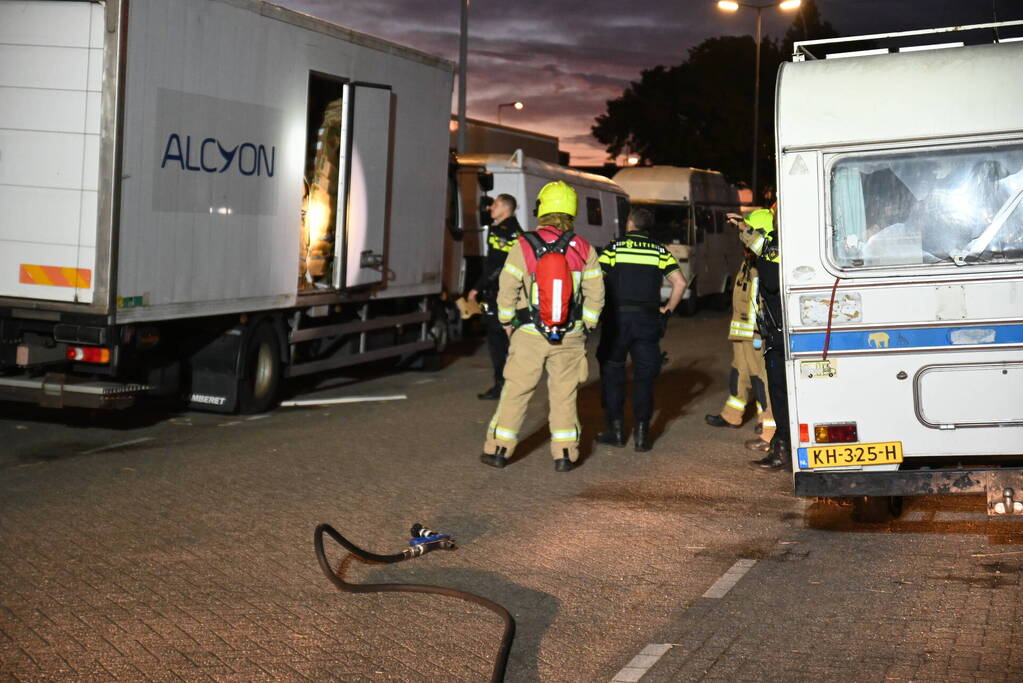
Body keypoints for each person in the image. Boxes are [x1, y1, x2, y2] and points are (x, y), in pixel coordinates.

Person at [479, 181, 604, 472]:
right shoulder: (584, 248)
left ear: (542, 209)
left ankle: (498, 450)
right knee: (564, 395)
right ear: (571, 211)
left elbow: (506, 286)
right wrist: (586, 324)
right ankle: (565, 455)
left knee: (516, 392)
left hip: (529, 333)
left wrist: (508, 321)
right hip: (569, 334)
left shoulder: (523, 245)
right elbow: (596, 294)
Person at [595, 207, 687, 452]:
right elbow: (680, 282)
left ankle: (615, 431)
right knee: (644, 379)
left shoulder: (614, 248)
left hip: (617, 320)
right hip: (647, 320)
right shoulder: (659, 250)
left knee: (613, 373)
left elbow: (596, 280)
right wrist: (667, 309)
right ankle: (642, 436)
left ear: (630, 224)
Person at [732, 208, 790, 471]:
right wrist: (742, 225)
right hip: (784, 333)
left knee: (779, 394)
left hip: (778, 336)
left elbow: (764, 252)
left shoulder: (775, 249)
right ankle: (782, 446)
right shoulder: (788, 244)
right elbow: (758, 244)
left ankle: (783, 450)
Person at [704, 251, 776, 451]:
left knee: (761, 379)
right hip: (741, 331)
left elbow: (758, 302)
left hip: (754, 333)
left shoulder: (762, 265)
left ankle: (769, 429)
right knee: (739, 373)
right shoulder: (748, 262)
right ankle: (732, 415)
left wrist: (757, 332)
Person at [468, 194, 521, 399]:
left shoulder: (501, 232)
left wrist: (477, 288)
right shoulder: (517, 231)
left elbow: (497, 265)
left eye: (496, 204)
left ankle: (502, 386)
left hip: (499, 294)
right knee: (508, 341)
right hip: (510, 293)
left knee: (498, 342)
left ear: (506, 209)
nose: (491, 207)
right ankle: (509, 385)